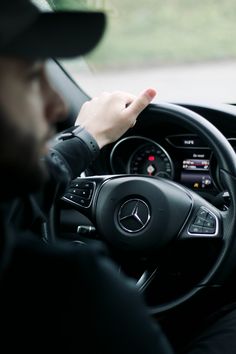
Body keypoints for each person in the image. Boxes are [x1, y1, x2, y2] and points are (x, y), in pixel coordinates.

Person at [1, 1, 236, 354]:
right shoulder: (74, 289)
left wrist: (87, 137)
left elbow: (20, 194)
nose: (58, 106)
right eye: (33, 78)